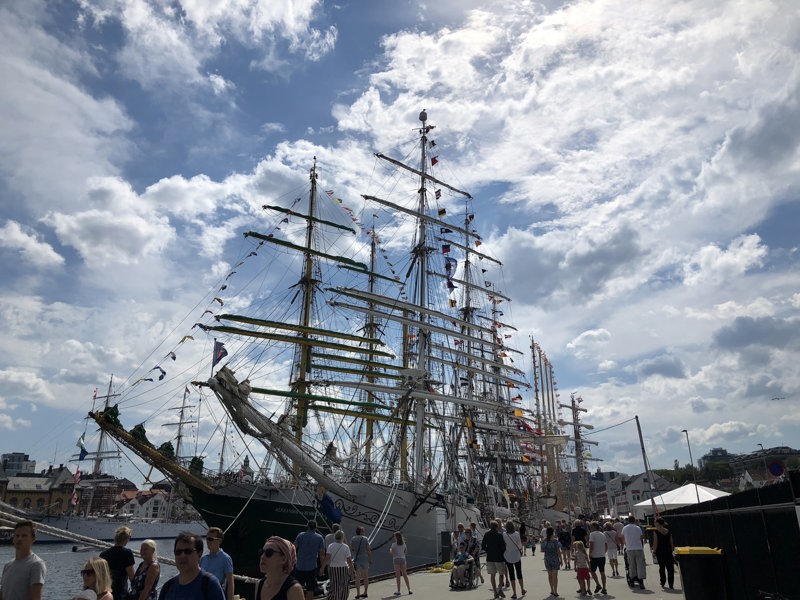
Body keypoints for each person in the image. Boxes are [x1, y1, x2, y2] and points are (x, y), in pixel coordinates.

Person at [157, 531, 225, 600]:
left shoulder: (209, 584)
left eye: (188, 551)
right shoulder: (167, 588)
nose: (182, 555)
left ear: (199, 554)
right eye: (178, 552)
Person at [0, 520, 46, 600]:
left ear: (33, 539)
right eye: (17, 536)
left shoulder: (36, 564)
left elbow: (35, 597)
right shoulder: (7, 566)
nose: (19, 539)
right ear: (13, 539)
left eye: (24, 536)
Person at [100, 526, 135, 600]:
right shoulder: (127, 553)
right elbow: (131, 576)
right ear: (126, 538)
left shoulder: (103, 554)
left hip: (105, 593)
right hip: (120, 593)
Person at [294, 521, 325, 600]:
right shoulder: (319, 537)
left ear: (307, 526)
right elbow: (322, 555)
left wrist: (293, 561)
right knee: (310, 589)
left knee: (297, 587)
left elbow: (293, 548)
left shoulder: (300, 535)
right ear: (316, 527)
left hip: (299, 566)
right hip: (311, 567)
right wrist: (322, 568)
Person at [201, 527, 234, 600]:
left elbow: (230, 583)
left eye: (210, 539)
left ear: (219, 541)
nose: (208, 541)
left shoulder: (225, 558)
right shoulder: (203, 559)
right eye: (207, 539)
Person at [481, 520, 507, 599]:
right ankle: (500, 589)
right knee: (501, 574)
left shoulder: (486, 534)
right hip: (499, 557)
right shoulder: (499, 535)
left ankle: (495, 592)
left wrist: (488, 550)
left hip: (490, 557)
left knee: (492, 575)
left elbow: (483, 545)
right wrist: (501, 552)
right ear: (497, 527)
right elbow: (503, 547)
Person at [324, 530, 353, 600]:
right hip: (343, 568)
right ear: (342, 537)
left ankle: (333, 598)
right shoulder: (345, 547)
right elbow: (349, 560)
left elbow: (327, 558)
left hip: (333, 568)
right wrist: (353, 571)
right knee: (344, 585)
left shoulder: (331, 546)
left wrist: (322, 568)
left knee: (334, 585)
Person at [620, 515, 646, 590]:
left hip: (630, 549)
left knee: (631, 565)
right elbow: (641, 537)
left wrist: (625, 543)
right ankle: (641, 581)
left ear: (628, 521)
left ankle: (632, 579)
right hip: (638, 548)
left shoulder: (625, 528)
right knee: (640, 565)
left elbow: (622, 537)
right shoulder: (637, 528)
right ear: (634, 520)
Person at [501, 522, 526, 599]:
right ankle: (522, 589)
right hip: (516, 556)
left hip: (508, 556)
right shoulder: (517, 534)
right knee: (519, 573)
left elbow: (504, 545)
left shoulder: (504, 535)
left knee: (511, 574)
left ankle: (514, 593)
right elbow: (519, 545)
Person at [652, 517, 675, 590]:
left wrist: (654, 551)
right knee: (670, 568)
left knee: (662, 568)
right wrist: (671, 551)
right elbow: (671, 543)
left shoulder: (656, 532)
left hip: (660, 552)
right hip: (668, 551)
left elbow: (655, 543)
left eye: (655, 522)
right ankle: (671, 584)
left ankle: (663, 582)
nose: (654, 523)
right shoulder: (668, 531)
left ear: (658, 523)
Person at [349, 526, 372, 598]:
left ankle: (358, 594)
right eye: (363, 531)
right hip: (364, 558)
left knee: (357, 577)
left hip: (357, 558)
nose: (364, 532)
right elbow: (368, 550)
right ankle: (365, 592)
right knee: (365, 576)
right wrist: (370, 559)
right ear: (361, 532)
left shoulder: (353, 538)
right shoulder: (365, 539)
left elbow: (351, 548)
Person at [587, 521, 607, 595]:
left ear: (594, 527)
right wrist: (603, 552)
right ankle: (604, 588)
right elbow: (606, 546)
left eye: (591, 527)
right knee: (602, 572)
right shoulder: (602, 534)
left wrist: (590, 554)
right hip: (602, 556)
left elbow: (591, 544)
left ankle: (598, 584)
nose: (590, 528)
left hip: (594, 556)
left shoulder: (592, 534)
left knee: (592, 571)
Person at [541, 527, 561, 598]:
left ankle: (552, 590)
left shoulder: (544, 540)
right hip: (555, 559)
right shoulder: (555, 541)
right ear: (553, 532)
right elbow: (558, 551)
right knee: (555, 576)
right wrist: (560, 559)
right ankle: (555, 591)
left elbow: (542, 550)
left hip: (547, 559)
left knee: (550, 575)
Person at [389, 531, 411, 596]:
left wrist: (390, 550)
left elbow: (392, 553)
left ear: (396, 537)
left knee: (398, 576)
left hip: (396, 559)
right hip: (403, 559)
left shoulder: (393, 544)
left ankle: (398, 591)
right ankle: (409, 589)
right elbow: (406, 552)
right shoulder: (404, 544)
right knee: (405, 574)